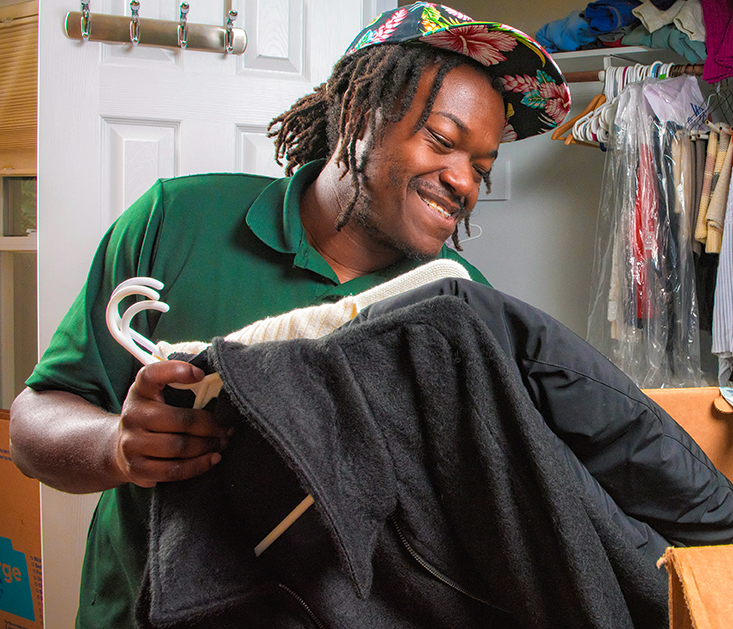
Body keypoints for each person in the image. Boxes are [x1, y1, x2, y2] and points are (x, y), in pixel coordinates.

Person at [8, 4, 574, 626]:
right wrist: (118, 446)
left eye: (483, 167)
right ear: (359, 115)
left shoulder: (459, 307)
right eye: (442, 140)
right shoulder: (177, 222)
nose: (464, 182)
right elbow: (34, 423)